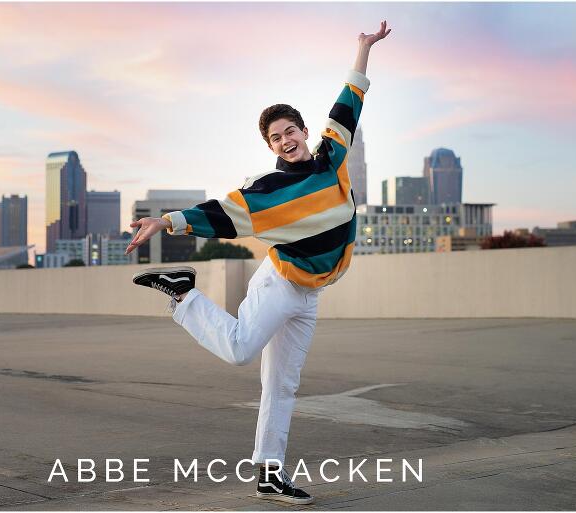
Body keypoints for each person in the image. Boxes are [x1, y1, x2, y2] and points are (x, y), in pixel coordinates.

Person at [126, 22, 391, 504]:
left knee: (283, 386)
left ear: (305, 131)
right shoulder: (269, 190)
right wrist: (164, 222)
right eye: (276, 138)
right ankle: (183, 293)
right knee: (238, 351)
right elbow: (219, 212)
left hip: (310, 294)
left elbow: (349, 100)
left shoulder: (333, 156)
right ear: (270, 148)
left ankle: (270, 473)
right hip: (280, 285)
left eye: (290, 130)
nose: (286, 140)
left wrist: (362, 48)